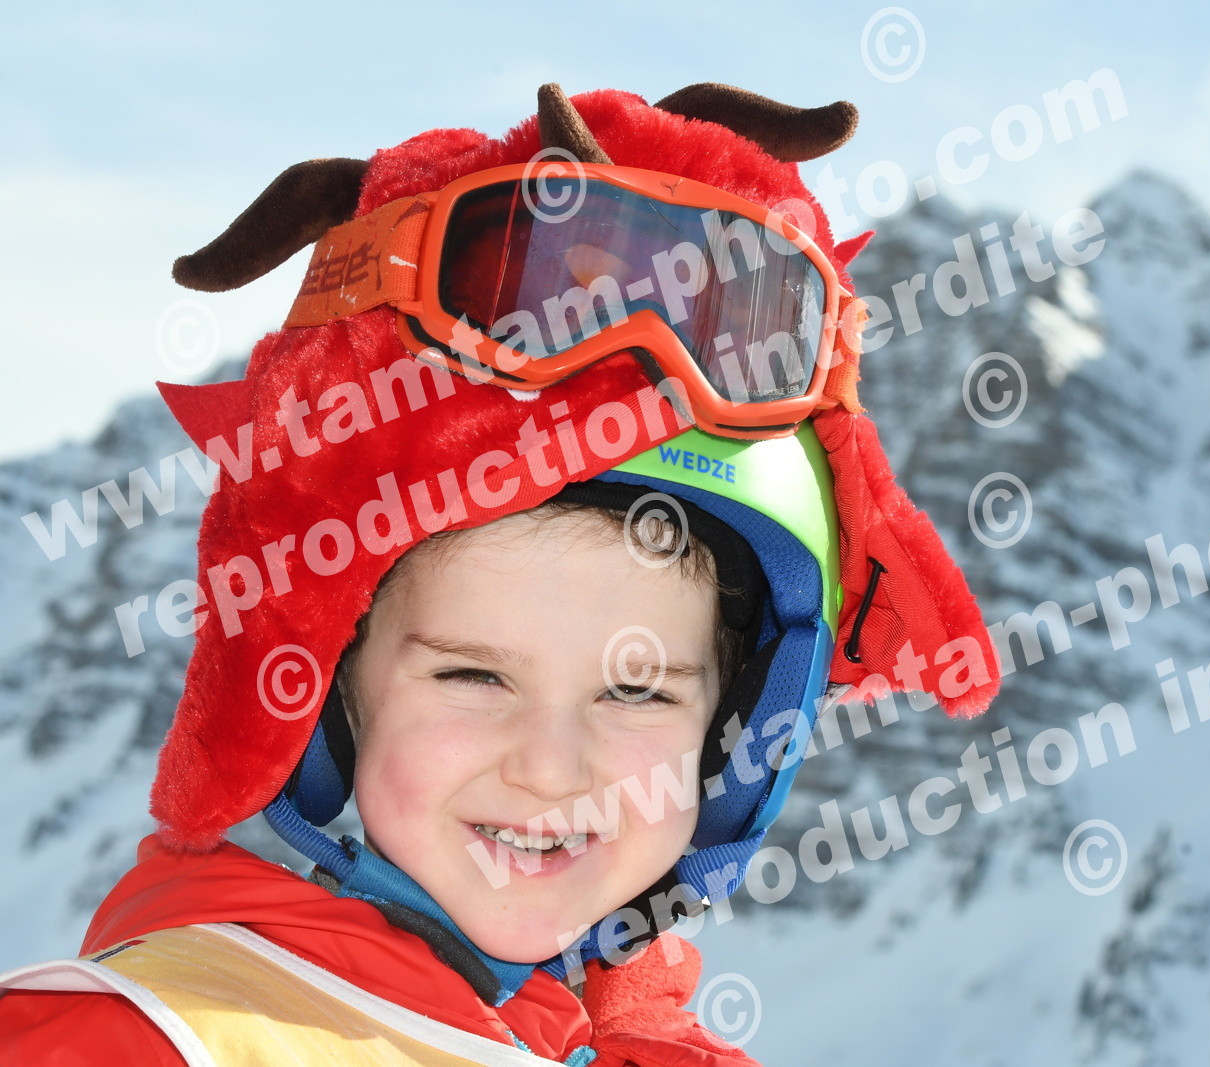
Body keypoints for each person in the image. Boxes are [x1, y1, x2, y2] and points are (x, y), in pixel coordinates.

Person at [0, 81, 1001, 1065]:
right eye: (474, 674)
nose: (551, 768)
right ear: (329, 689)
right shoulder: (137, 1040)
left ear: (735, 719)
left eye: (638, 689)